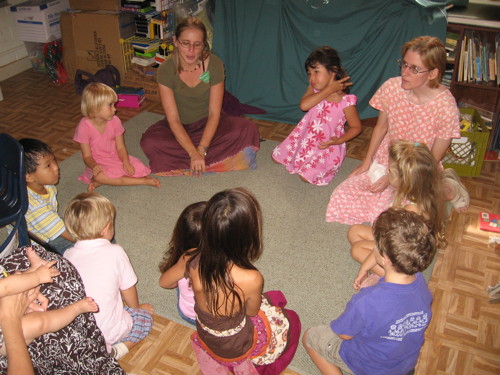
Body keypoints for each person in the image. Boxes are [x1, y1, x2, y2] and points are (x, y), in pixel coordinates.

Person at [326, 35, 467, 225]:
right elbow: (381, 126)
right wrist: (368, 162)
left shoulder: (446, 107)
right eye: (404, 64)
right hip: (389, 158)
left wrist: (397, 180)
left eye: (414, 68)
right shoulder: (391, 87)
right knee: (342, 198)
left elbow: (431, 161)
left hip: (418, 168)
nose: (405, 73)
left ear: (432, 73)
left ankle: (450, 188)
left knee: (400, 217)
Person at [303, 208, 436, 375]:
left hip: (367, 365)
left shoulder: (367, 300)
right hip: (404, 365)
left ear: (384, 258)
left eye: (376, 244)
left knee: (310, 336)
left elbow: (344, 334)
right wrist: (371, 275)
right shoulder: (420, 283)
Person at [140, 17, 261, 177]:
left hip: (210, 125)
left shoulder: (215, 64)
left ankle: (193, 164)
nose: (191, 50)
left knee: (248, 129)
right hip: (179, 127)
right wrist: (193, 152)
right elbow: (173, 120)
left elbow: (214, 114)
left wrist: (201, 149)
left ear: (204, 45)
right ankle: (212, 162)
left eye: (197, 44)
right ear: (175, 41)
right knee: (150, 143)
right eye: (185, 43)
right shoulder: (165, 69)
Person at [63, 192, 154, 360]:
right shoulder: (115, 252)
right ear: (106, 229)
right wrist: (137, 308)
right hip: (107, 332)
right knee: (144, 319)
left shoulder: (67, 254)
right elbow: (127, 288)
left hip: (78, 332)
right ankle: (118, 350)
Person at [349, 141, 447, 289]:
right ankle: (386, 270)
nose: (388, 172)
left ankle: (392, 278)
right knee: (354, 230)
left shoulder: (410, 211)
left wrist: (364, 267)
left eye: (391, 172)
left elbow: (388, 246)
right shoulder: (424, 191)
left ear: (406, 180)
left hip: (406, 254)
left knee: (357, 249)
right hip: (406, 240)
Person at [272, 46, 360, 185]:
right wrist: (328, 89)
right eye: (309, 73)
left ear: (333, 71)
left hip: (326, 146)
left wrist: (339, 140)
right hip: (304, 140)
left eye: (316, 72)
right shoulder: (314, 91)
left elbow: (356, 127)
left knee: (305, 177)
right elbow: (304, 105)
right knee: (277, 157)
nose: (312, 78)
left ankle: (326, 165)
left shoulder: (346, 101)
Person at [0, 249, 99, 360]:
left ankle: (34, 269)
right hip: (4, 335)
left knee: (14, 280)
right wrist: (37, 277)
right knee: (38, 322)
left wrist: (35, 276)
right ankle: (76, 309)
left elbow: (5, 286)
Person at [74, 82, 160, 192]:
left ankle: (100, 182)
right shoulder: (84, 127)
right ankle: (142, 181)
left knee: (139, 166)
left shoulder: (115, 120)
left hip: (115, 157)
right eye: (110, 105)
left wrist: (126, 162)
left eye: (114, 105)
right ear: (95, 108)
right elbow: (87, 157)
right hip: (98, 162)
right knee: (101, 176)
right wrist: (94, 166)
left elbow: (120, 147)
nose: (115, 109)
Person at [19, 138, 75, 254]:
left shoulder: (44, 184)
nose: (56, 167)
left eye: (54, 160)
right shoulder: (35, 207)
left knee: (90, 224)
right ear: (28, 176)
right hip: (39, 243)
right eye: (48, 165)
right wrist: (95, 240)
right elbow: (66, 234)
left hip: (49, 225)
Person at [159, 201, 207, 325]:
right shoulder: (230, 260)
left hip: (190, 315)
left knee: (181, 280)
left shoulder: (187, 259)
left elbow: (164, 283)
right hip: (217, 319)